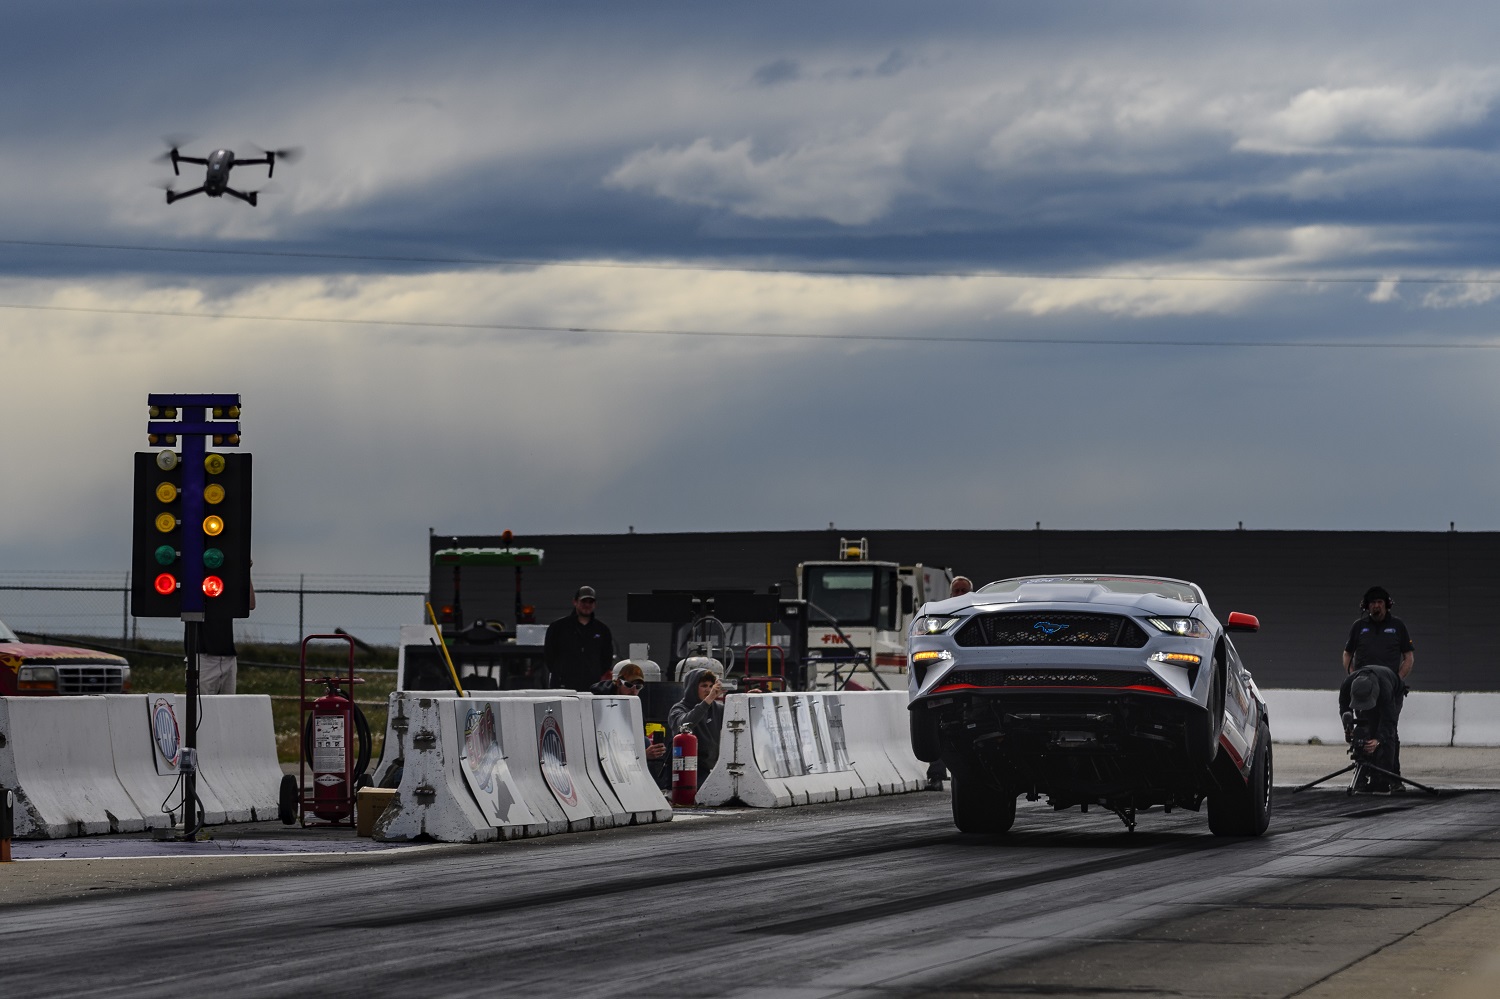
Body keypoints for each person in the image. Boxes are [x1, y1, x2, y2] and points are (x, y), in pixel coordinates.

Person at [1342, 586, 1414, 783]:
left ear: (1387, 605)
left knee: (1388, 730)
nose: (1376, 606)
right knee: (1366, 729)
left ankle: (1392, 778)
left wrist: (1398, 679)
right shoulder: (1359, 626)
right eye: (1373, 603)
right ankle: (1367, 775)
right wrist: (1353, 676)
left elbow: (1408, 657)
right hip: (1364, 688)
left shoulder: (1398, 626)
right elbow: (1347, 653)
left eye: (1380, 603)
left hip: (1391, 689)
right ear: (1367, 606)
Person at [924, 575, 976, 790]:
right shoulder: (940, 616)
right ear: (951, 593)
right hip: (948, 683)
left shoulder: (978, 615)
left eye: (964, 591)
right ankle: (936, 775)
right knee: (939, 727)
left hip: (972, 686)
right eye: (957, 591)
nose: (960, 595)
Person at [1338, 664, 1401, 792]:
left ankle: (1389, 777)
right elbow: (1344, 709)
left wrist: (1378, 739)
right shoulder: (1347, 684)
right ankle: (1362, 774)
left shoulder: (1385, 689)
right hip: (1375, 689)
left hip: (1394, 690)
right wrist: (1348, 728)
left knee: (1388, 735)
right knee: (1363, 728)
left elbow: (1389, 721)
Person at [590, 661, 667, 761]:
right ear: (618, 682)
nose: (633, 691)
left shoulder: (633, 704)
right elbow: (606, 743)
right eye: (629, 685)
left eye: (638, 687)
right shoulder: (600, 701)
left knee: (646, 742)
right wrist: (643, 755)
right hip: (602, 751)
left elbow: (637, 737)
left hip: (622, 750)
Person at [544, 585, 615, 691]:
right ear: (575, 602)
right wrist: (559, 672)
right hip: (563, 684)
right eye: (583, 601)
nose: (587, 605)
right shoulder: (558, 627)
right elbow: (549, 654)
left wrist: (596, 673)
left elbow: (607, 657)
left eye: (590, 602)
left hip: (592, 685)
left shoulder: (602, 630)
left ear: (594, 604)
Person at [198, 565, 255, 695]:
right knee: (202, 706)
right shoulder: (198, 592)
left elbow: (250, 604)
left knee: (228, 704)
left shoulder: (226, 592)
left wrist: (246, 571)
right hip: (204, 656)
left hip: (227, 656)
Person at [668, 664, 726, 776]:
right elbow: (683, 725)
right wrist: (707, 701)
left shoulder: (718, 709)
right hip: (687, 769)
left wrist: (748, 698)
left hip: (712, 768)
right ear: (692, 687)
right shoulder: (679, 709)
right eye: (704, 686)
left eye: (711, 686)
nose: (709, 690)